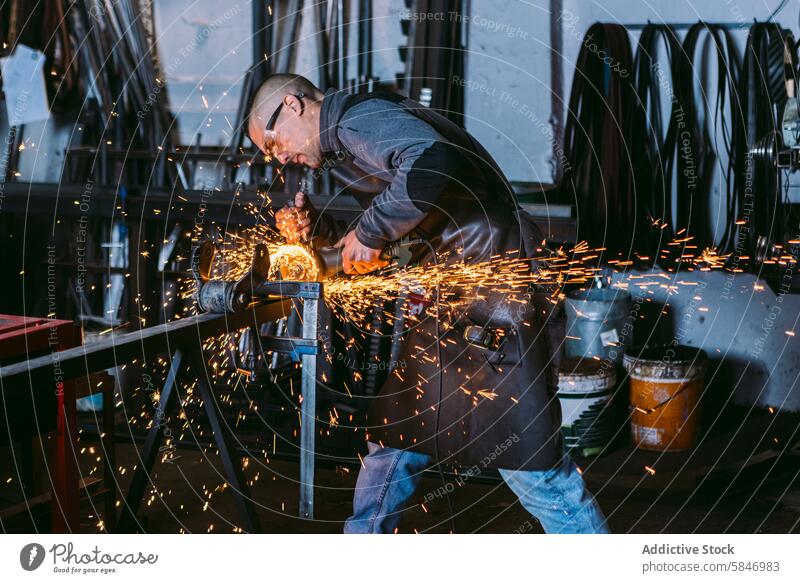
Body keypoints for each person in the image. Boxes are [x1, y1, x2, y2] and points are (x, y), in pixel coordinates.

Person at [247, 74, 609, 534]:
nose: (279, 158)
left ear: (294, 105)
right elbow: (408, 225)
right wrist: (321, 237)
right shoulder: (353, 139)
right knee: (397, 436)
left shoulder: (355, 122)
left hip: (491, 300)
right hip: (454, 303)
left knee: (532, 466)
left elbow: (434, 162)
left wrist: (371, 231)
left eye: (274, 142)